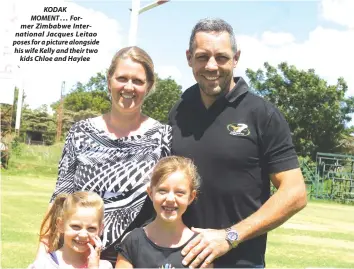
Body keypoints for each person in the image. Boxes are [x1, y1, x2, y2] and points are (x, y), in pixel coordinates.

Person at [168, 18, 308, 268]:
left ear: (236, 58)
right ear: (189, 57)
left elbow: (295, 192)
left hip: (241, 262)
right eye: (202, 57)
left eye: (221, 57)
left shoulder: (262, 114)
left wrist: (230, 236)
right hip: (180, 261)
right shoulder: (178, 111)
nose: (211, 66)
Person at [36, 46, 171, 265]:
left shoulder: (163, 136)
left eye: (137, 81)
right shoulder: (80, 132)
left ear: (149, 86)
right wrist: (42, 255)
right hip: (76, 256)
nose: (129, 87)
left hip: (135, 258)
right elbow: (60, 197)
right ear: (109, 81)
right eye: (122, 78)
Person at [115, 156, 212, 268]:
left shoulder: (199, 246)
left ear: (191, 197)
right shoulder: (133, 241)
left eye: (179, 192)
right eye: (162, 191)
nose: (170, 199)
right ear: (150, 193)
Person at [29, 191, 112, 269]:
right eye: (76, 226)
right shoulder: (44, 265)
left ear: (101, 229)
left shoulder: (104, 266)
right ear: (60, 225)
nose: (83, 234)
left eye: (91, 228)